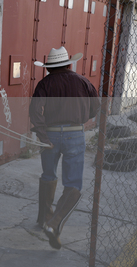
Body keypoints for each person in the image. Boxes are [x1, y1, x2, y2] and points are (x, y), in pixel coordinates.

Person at [29, 46, 100, 249]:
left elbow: (35, 111)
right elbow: (96, 107)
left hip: (50, 134)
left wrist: (43, 135)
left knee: (48, 175)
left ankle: (44, 218)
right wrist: (81, 120)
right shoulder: (83, 81)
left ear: (49, 68)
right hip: (75, 134)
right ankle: (54, 223)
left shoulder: (44, 84)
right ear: (69, 64)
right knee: (73, 183)